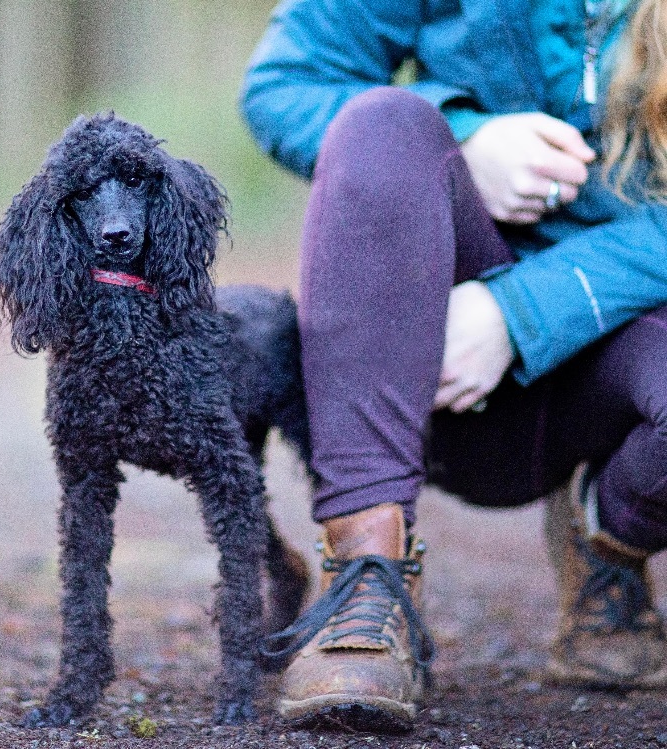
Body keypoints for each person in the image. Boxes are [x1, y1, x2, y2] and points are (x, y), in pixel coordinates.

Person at [240, 0, 667, 733]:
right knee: (382, 124)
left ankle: (611, 533)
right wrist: (467, 137)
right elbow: (285, 82)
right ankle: (365, 572)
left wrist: (526, 310)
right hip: (440, 363)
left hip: (621, 351)